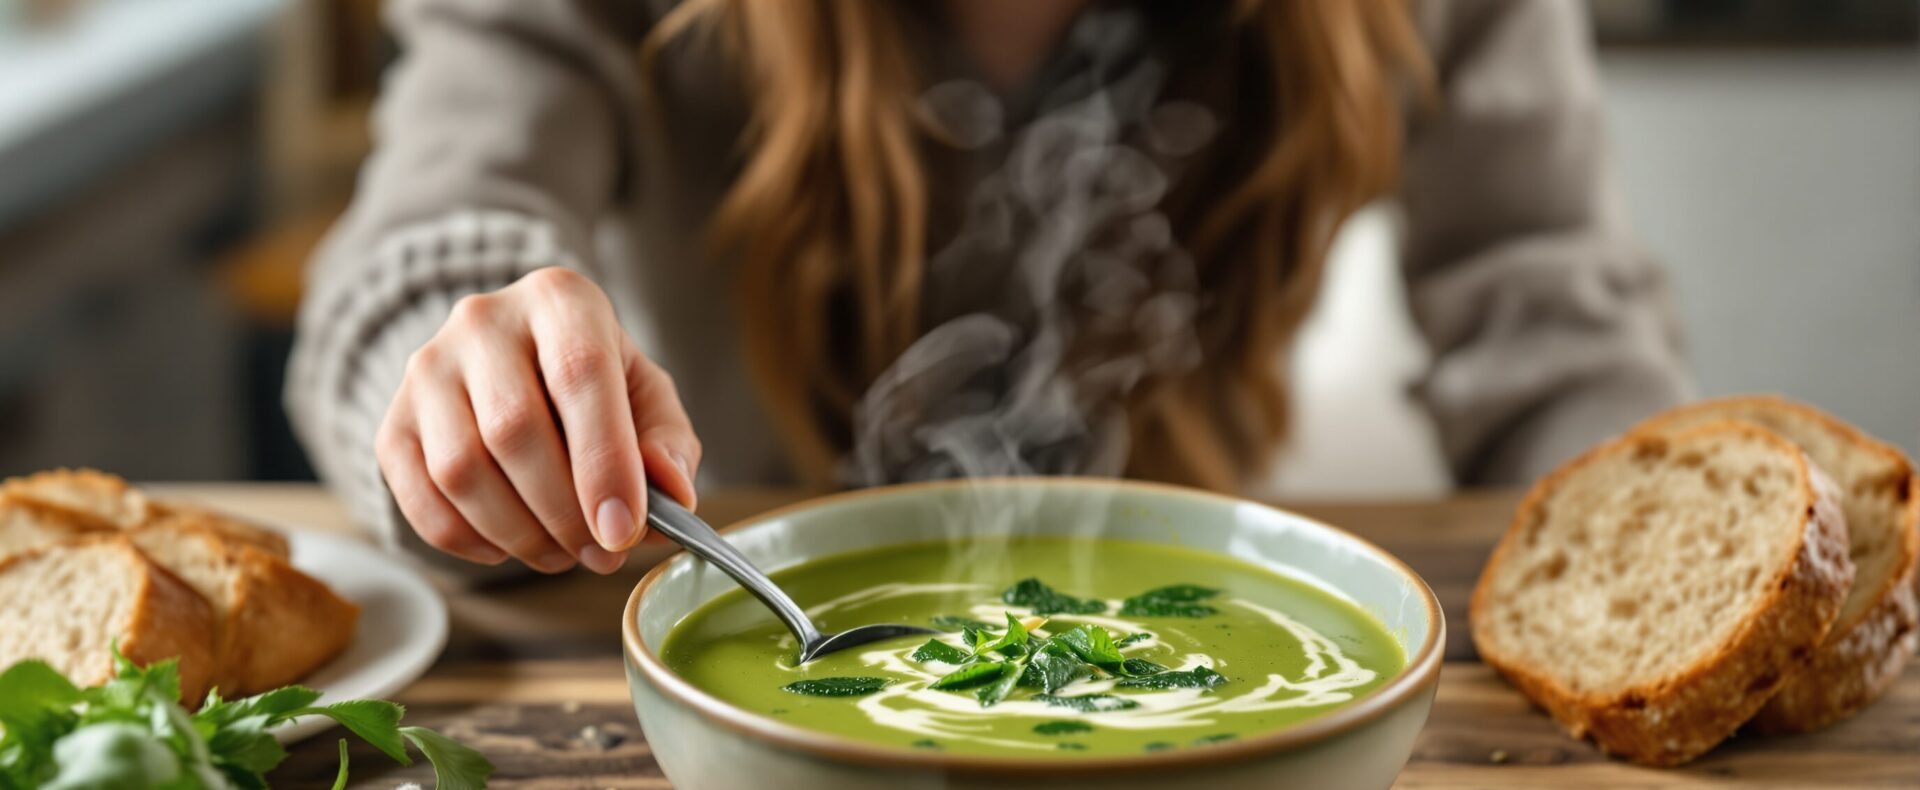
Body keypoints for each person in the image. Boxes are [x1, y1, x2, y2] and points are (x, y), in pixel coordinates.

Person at [288, 0, 1687, 576]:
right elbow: (437, 231)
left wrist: (1670, 546)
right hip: (688, 590)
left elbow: (1544, 300)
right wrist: (469, 403)